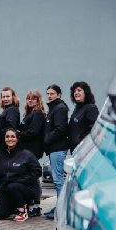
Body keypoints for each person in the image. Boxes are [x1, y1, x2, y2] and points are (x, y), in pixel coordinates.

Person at [0, 128, 42, 221]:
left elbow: (37, 172)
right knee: (0, 214)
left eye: (13, 136)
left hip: (27, 189)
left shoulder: (27, 154)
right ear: (4, 139)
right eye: (7, 137)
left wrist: (21, 180)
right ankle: (15, 207)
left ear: (17, 139)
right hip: (8, 189)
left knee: (13, 186)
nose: (10, 139)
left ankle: (22, 211)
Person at [43, 84, 70, 220]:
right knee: (58, 180)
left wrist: (46, 139)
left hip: (58, 149)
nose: (49, 96)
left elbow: (60, 129)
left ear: (58, 94)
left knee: (59, 181)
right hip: (55, 149)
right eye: (48, 93)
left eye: (52, 93)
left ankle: (61, 210)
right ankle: (59, 207)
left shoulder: (60, 108)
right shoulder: (55, 108)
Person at [18, 90, 46, 217]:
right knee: (30, 177)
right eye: (28, 98)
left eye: (33, 98)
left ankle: (36, 206)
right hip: (27, 149)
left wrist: (19, 134)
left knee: (33, 178)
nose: (30, 100)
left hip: (33, 150)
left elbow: (34, 131)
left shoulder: (38, 113)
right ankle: (31, 205)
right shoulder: (29, 113)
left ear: (38, 100)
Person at [67, 81, 99, 152]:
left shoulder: (91, 108)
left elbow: (95, 130)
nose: (76, 92)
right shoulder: (77, 109)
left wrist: (81, 143)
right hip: (75, 151)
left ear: (85, 93)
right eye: (74, 91)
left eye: (79, 90)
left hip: (84, 151)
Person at [0, 87, 20, 153]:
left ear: (13, 97)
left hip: (5, 147)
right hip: (2, 146)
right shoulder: (7, 109)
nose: (5, 99)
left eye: (8, 96)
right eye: (3, 97)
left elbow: (11, 129)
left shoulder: (12, 110)